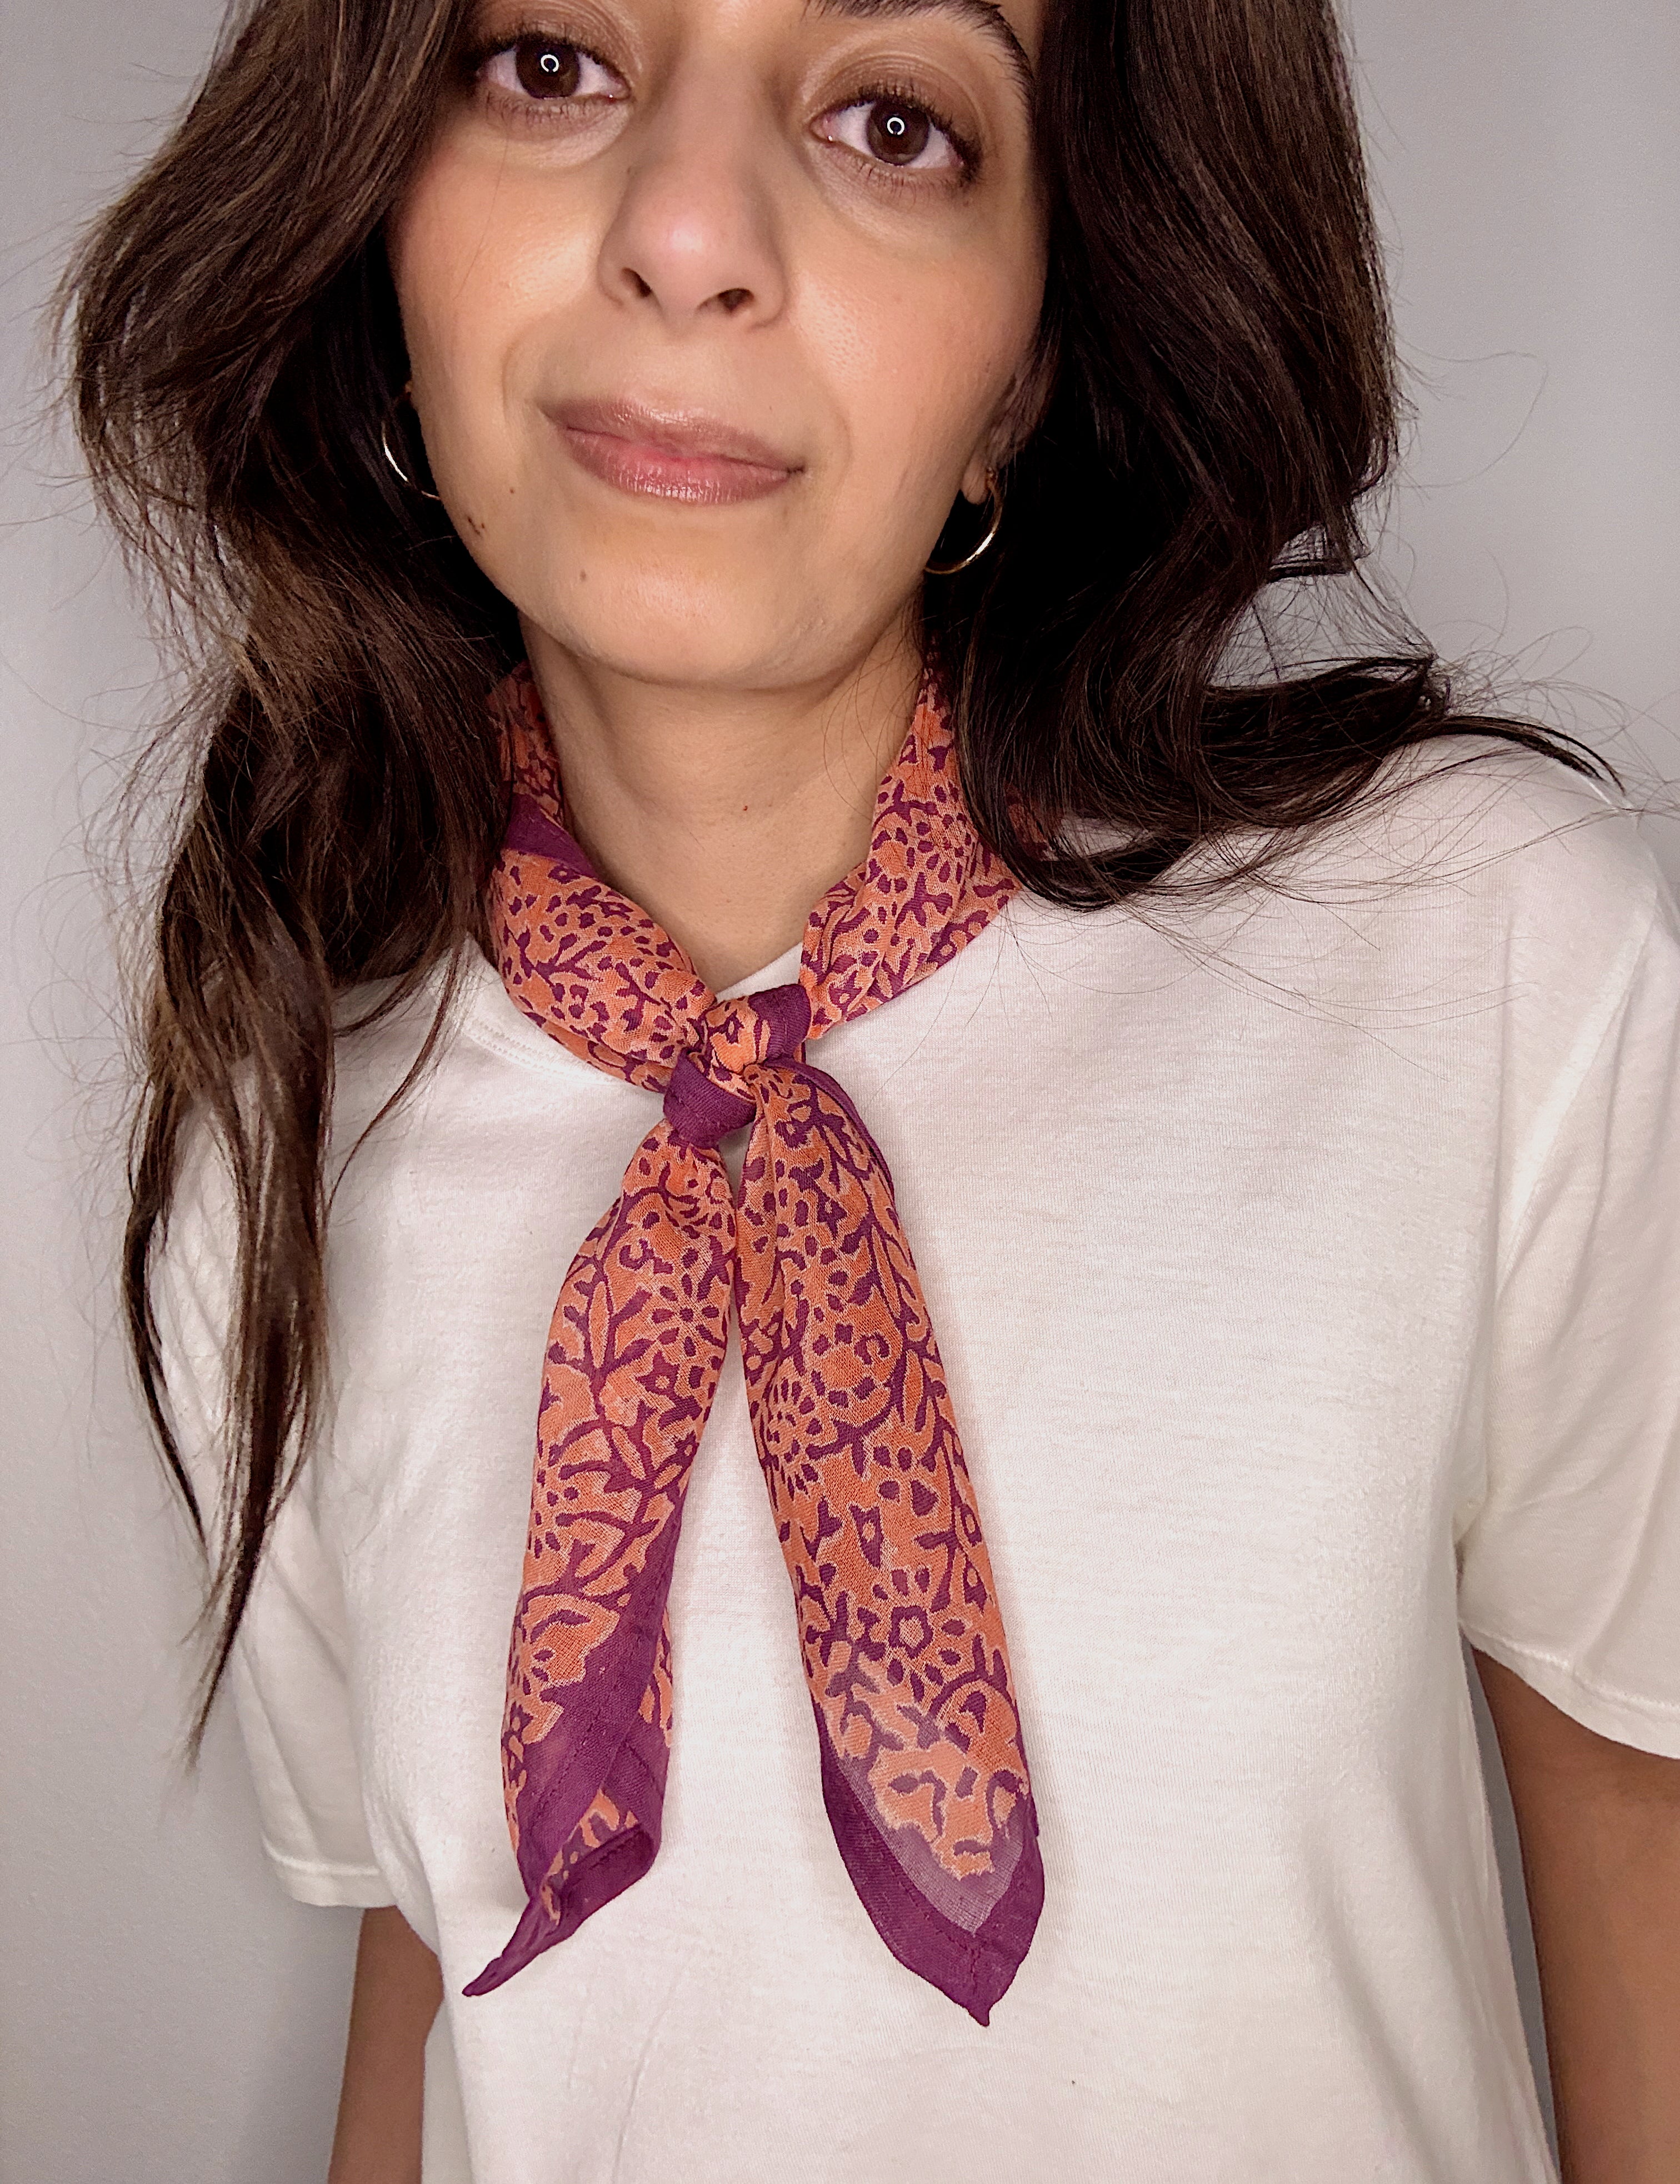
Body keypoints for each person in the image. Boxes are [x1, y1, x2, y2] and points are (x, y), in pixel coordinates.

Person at [60, 0, 1680, 2177]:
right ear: (381, 202)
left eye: (894, 117)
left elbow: (1644, 1842)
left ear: (1028, 355)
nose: (687, 230)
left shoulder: (1493, 955)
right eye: (555, 63)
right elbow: (447, 1981)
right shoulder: (287, 1128)